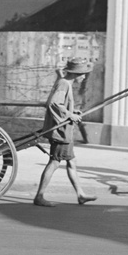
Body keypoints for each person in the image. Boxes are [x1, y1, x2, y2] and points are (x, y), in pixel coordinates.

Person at [34, 57, 97, 207]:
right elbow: (54, 104)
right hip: (60, 131)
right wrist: (70, 115)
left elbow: (60, 104)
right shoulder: (64, 84)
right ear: (77, 74)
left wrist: (71, 110)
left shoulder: (65, 83)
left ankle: (80, 194)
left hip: (64, 130)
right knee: (55, 162)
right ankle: (39, 196)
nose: (84, 77)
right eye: (83, 74)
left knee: (71, 162)